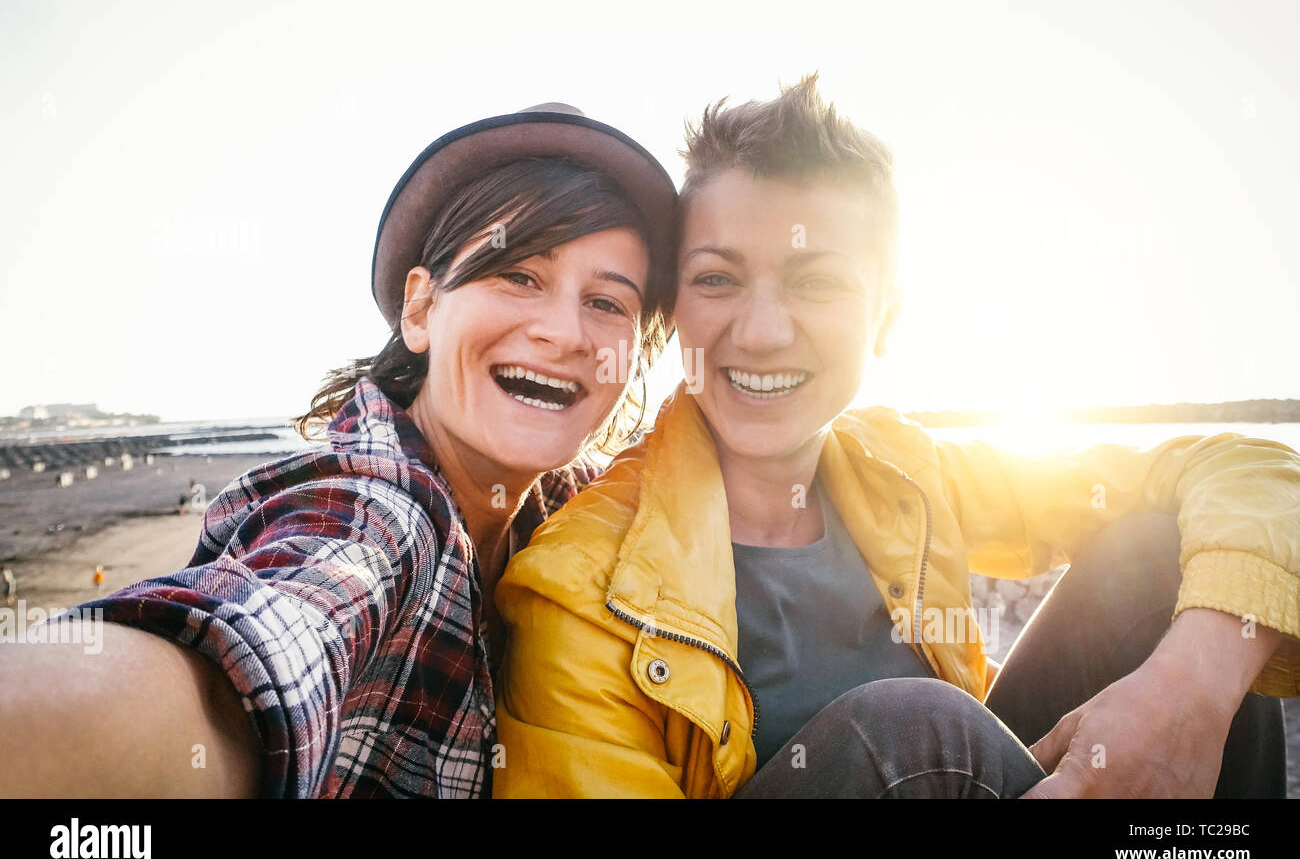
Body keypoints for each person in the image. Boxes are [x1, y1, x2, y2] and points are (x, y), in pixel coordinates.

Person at [492, 76, 1299, 798]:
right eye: (717, 277)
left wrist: (1191, 690)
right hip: (928, 766)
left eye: (818, 282)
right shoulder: (580, 587)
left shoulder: (905, 469)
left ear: (886, 316)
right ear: (675, 310)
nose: (764, 330)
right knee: (912, 735)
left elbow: (1242, 468)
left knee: (1168, 578)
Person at [0, 103, 676, 798]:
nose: (564, 332)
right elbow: (265, 642)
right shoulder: (379, 515)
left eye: (607, 302)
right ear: (420, 309)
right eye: (519, 276)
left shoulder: (573, 505)